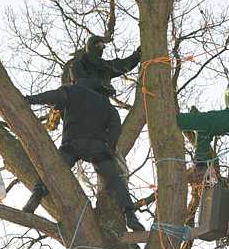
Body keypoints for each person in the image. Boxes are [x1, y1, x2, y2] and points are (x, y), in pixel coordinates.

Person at [22, 36, 144, 231]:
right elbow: (115, 125)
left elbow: (54, 96)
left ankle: (35, 197)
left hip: (73, 143)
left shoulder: (71, 91)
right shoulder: (105, 102)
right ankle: (130, 215)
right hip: (97, 146)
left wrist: (29, 99)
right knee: (114, 180)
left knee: (52, 170)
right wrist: (110, 147)